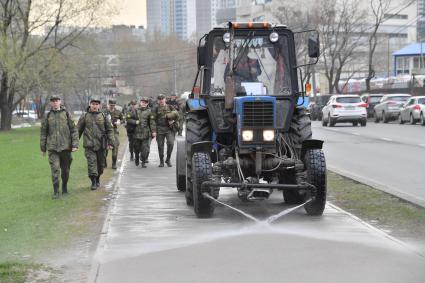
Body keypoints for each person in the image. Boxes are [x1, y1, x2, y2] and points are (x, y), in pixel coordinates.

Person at [40, 95, 79, 199]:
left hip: (66, 148)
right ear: (51, 103)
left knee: (65, 171)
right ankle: (56, 191)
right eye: (53, 101)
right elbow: (43, 132)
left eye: (57, 101)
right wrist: (43, 148)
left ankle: (64, 186)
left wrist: (75, 145)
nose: (55, 103)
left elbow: (74, 130)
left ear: (60, 102)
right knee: (55, 170)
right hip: (53, 149)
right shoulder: (48, 116)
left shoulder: (66, 114)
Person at [77, 96, 114, 190]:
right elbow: (78, 131)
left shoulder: (103, 116)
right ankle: (93, 181)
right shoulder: (84, 116)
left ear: (99, 105)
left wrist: (111, 143)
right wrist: (74, 143)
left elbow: (109, 130)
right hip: (89, 145)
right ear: (90, 104)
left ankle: (97, 178)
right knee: (92, 164)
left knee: (100, 165)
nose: (94, 106)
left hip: (101, 145)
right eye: (93, 104)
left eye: (96, 104)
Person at [126, 97, 156, 168]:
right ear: (140, 102)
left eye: (145, 102)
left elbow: (152, 122)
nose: (143, 104)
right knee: (136, 148)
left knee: (145, 149)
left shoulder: (150, 111)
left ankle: (143, 162)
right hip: (136, 133)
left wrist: (153, 131)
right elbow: (127, 118)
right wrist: (135, 122)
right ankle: (136, 157)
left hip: (146, 133)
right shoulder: (135, 110)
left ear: (147, 103)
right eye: (142, 102)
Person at [153, 94, 179, 167]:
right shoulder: (156, 108)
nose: (161, 100)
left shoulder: (170, 107)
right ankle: (161, 161)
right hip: (160, 129)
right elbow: (152, 120)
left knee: (171, 143)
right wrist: (154, 130)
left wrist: (173, 120)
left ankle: (168, 159)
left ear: (165, 99)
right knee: (160, 146)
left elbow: (177, 115)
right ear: (158, 100)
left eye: (162, 99)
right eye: (159, 99)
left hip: (169, 129)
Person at [104, 99, 123, 169]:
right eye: (111, 105)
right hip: (105, 132)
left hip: (114, 131)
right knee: (104, 148)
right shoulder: (104, 112)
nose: (112, 106)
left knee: (115, 147)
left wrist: (119, 122)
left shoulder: (118, 112)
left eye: (113, 105)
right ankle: (104, 162)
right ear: (108, 104)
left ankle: (114, 163)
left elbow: (123, 120)